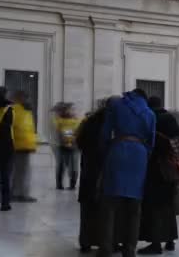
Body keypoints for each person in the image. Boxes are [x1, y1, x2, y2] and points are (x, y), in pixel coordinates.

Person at [97, 89, 155, 257]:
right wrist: (143, 154)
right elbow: (151, 141)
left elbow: (105, 133)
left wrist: (107, 151)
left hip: (117, 151)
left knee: (109, 205)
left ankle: (105, 248)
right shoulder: (149, 112)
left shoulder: (116, 105)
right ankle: (129, 249)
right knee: (134, 207)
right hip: (139, 155)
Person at [138, 97, 179, 255]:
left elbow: (149, 142)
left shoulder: (152, 117)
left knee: (154, 206)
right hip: (171, 168)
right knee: (168, 205)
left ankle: (155, 243)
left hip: (157, 168)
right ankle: (170, 240)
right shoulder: (170, 118)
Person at [75, 98, 113, 253]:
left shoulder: (88, 121)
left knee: (87, 207)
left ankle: (86, 241)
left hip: (88, 169)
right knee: (105, 208)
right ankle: (106, 241)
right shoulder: (111, 124)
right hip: (104, 170)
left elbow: (79, 142)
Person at [10, 91, 38, 203]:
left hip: (25, 145)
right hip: (18, 145)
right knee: (20, 172)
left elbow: (28, 129)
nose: (28, 100)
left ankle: (20, 193)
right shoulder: (15, 109)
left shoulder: (27, 110)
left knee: (22, 171)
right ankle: (19, 194)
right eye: (26, 97)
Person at [53, 103, 81, 190]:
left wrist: (75, 139)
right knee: (61, 166)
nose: (70, 111)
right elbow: (56, 132)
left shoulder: (78, 121)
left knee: (74, 167)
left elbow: (79, 132)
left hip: (74, 146)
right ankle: (59, 184)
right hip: (62, 146)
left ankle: (72, 184)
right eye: (68, 109)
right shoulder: (58, 120)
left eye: (72, 109)